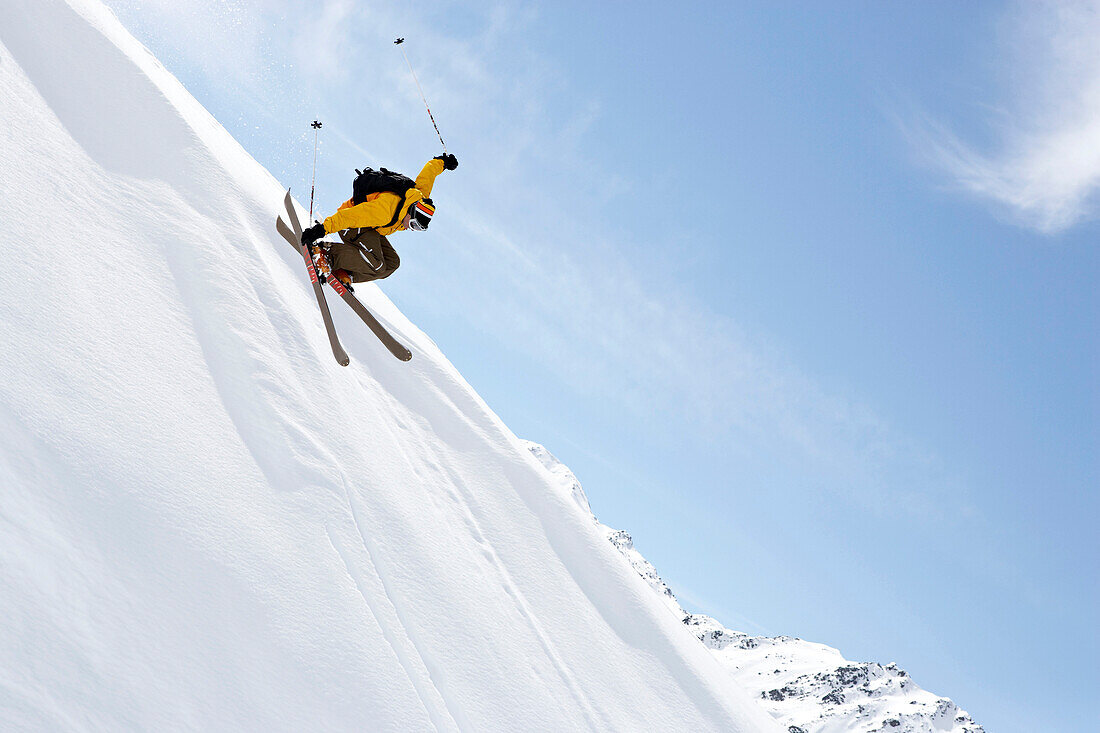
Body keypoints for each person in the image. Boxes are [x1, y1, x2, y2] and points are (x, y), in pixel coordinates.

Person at [300, 153, 458, 285]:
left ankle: (345, 271)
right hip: (349, 223)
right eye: (414, 224)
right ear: (411, 212)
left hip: (369, 228)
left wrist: (443, 162)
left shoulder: (419, 197)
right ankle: (326, 253)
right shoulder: (386, 209)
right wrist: (320, 230)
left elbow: (428, 175)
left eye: (417, 228)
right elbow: (351, 216)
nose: (411, 228)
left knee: (392, 263)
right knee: (377, 264)